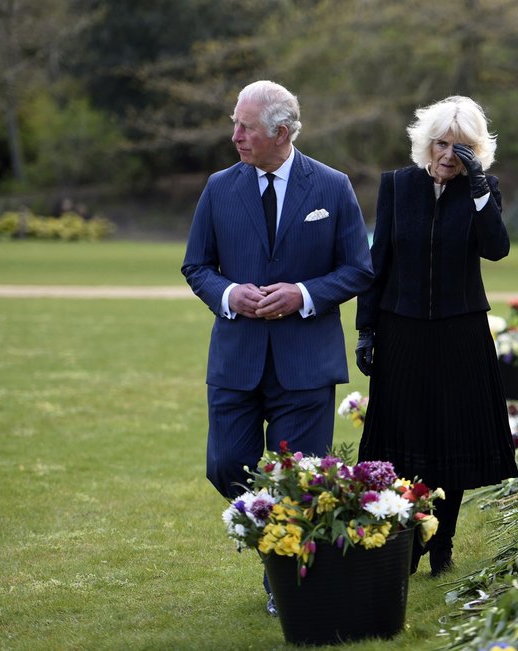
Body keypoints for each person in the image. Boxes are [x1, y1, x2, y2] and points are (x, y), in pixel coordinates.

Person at [182, 80, 373, 612]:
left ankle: (284, 580)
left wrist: (304, 294)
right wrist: (229, 294)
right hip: (235, 360)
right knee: (225, 465)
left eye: (245, 127)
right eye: (234, 124)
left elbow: (358, 269)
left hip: (306, 363)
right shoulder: (219, 188)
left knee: (301, 478)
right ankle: (275, 538)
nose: (236, 135)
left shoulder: (333, 188)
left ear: (281, 132)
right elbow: (196, 266)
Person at [354, 95, 518, 577]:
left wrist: (480, 189)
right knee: (402, 440)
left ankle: (442, 540)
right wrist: (367, 329)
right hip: (401, 329)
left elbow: (497, 249)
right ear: (427, 144)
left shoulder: (482, 192)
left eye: (461, 148)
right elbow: (377, 261)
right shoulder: (397, 187)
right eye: (442, 144)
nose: (449, 155)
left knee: (451, 440)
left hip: (460, 332)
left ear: (476, 153)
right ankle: (408, 540)